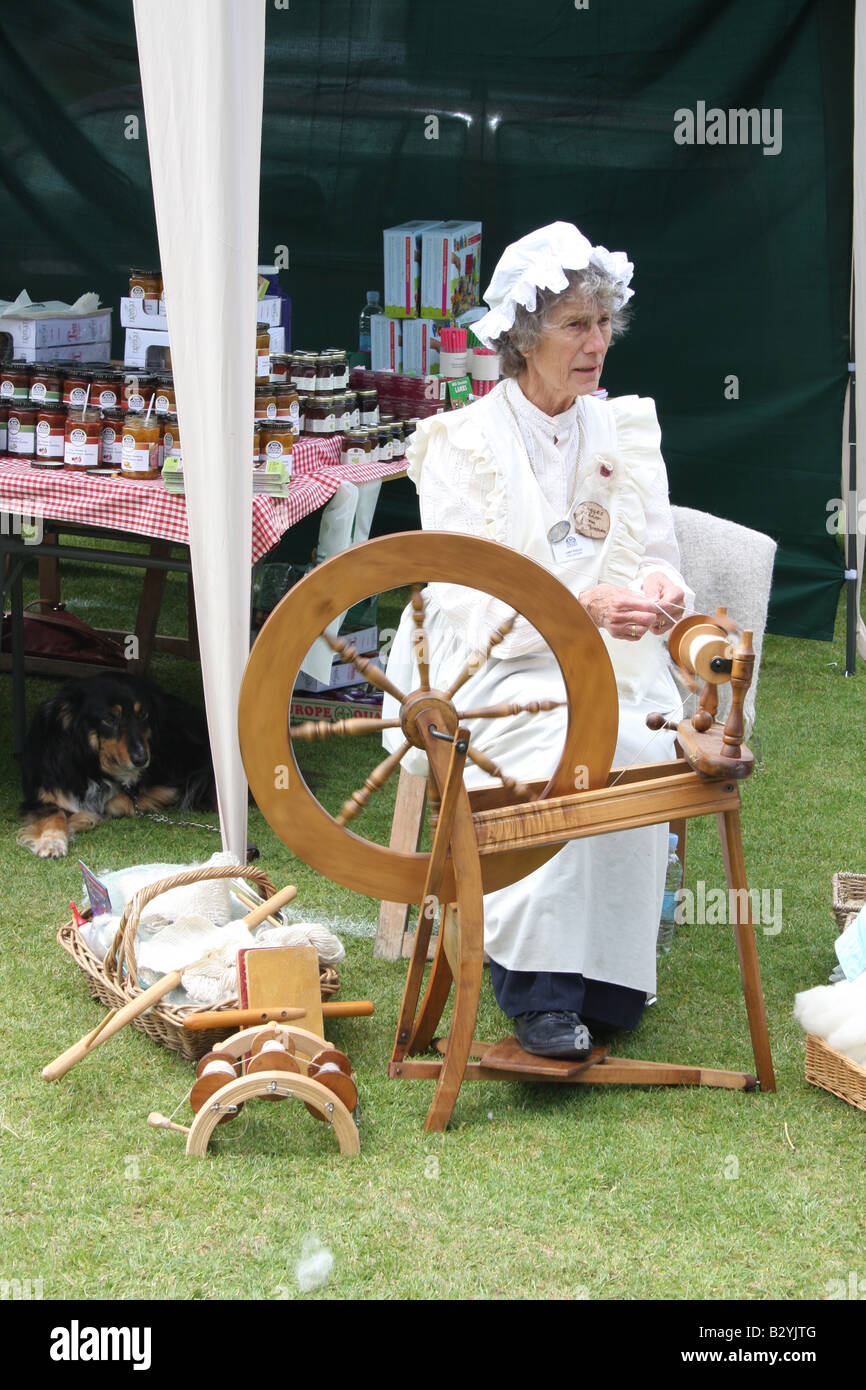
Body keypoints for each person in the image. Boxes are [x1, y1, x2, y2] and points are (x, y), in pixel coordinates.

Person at [382, 221, 693, 1060]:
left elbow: (659, 557)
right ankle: (540, 989)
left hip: (616, 665)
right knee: (566, 739)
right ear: (525, 338)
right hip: (494, 668)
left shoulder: (623, 431)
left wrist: (660, 592)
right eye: (575, 326)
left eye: (603, 324)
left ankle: (610, 981)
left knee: (635, 737)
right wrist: (580, 608)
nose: (596, 344)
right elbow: (455, 593)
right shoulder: (459, 444)